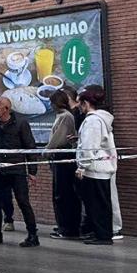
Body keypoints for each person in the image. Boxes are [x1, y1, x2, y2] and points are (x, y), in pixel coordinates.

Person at [0, 96, 40, 246]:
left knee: (23, 201)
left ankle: (33, 235)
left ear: (6, 109)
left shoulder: (21, 123)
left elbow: (30, 147)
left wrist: (32, 171)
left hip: (16, 170)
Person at [75, 86, 118, 245]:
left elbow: (89, 146)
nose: (79, 107)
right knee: (100, 203)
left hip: (95, 169)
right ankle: (100, 233)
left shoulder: (93, 121)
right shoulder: (102, 119)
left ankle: (103, 235)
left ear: (86, 103)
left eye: (80, 103)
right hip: (101, 167)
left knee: (98, 204)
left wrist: (82, 166)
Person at [44, 88, 82, 238]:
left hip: (63, 159)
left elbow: (58, 138)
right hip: (59, 158)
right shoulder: (62, 116)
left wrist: (46, 150)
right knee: (59, 193)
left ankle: (68, 228)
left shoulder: (65, 117)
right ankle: (63, 225)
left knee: (63, 193)